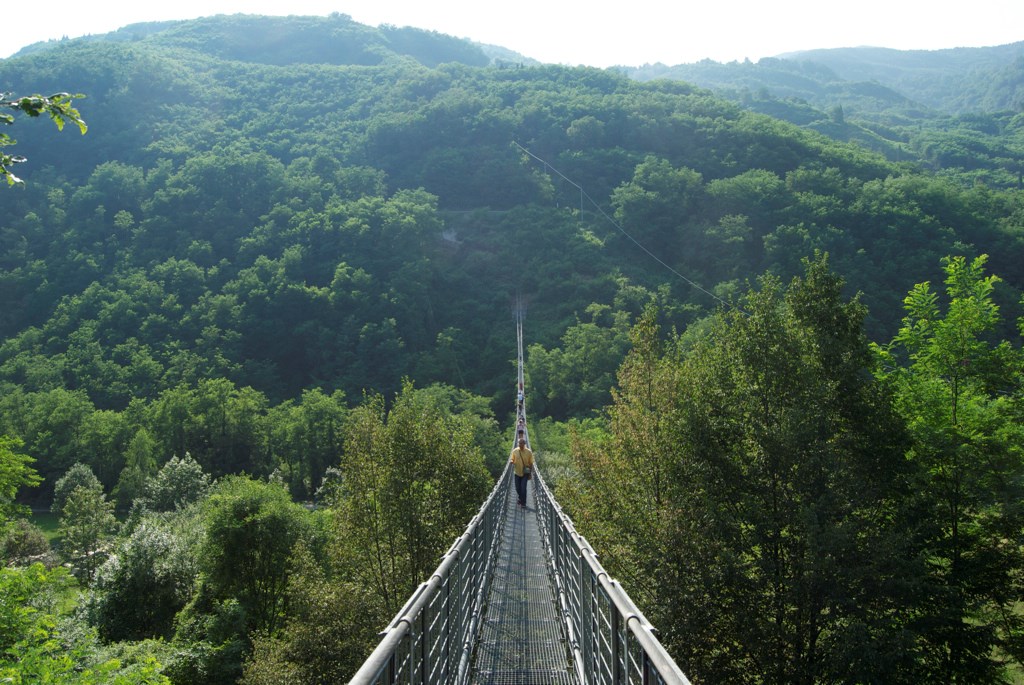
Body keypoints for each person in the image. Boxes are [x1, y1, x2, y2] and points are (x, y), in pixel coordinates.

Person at [510, 434, 534, 508]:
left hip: (525, 473)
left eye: (522, 443)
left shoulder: (529, 452)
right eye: (519, 443)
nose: (520, 444)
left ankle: (523, 503)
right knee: (518, 488)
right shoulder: (515, 451)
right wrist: (511, 461)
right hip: (517, 472)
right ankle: (520, 499)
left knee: (523, 488)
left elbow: (531, 463)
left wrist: (530, 472)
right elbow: (512, 458)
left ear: (524, 444)